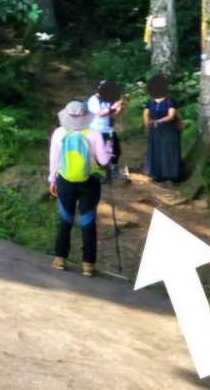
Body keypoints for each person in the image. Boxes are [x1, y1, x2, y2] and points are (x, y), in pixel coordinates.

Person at [48, 100, 111, 277]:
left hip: (65, 181)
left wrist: (52, 179)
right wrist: (108, 149)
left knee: (65, 218)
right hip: (89, 182)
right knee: (88, 221)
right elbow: (104, 161)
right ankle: (88, 264)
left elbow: (54, 159)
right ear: (85, 117)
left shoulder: (59, 133)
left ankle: (60, 258)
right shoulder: (94, 134)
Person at [142, 73, 182, 182]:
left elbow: (171, 115)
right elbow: (146, 112)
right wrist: (147, 121)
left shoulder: (170, 100)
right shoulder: (150, 101)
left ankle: (171, 175)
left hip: (168, 130)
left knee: (168, 151)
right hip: (154, 130)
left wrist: (159, 121)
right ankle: (156, 174)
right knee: (155, 150)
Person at [87, 79, 125, 177]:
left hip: (108, 129)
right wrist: (112, 108)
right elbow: (100, 113)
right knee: (100, 152)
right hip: (96, 129)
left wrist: (120, 106)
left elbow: (113, 113)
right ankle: (100, 173)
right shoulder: (93, 100)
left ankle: (113, 169)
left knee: (116, 149)